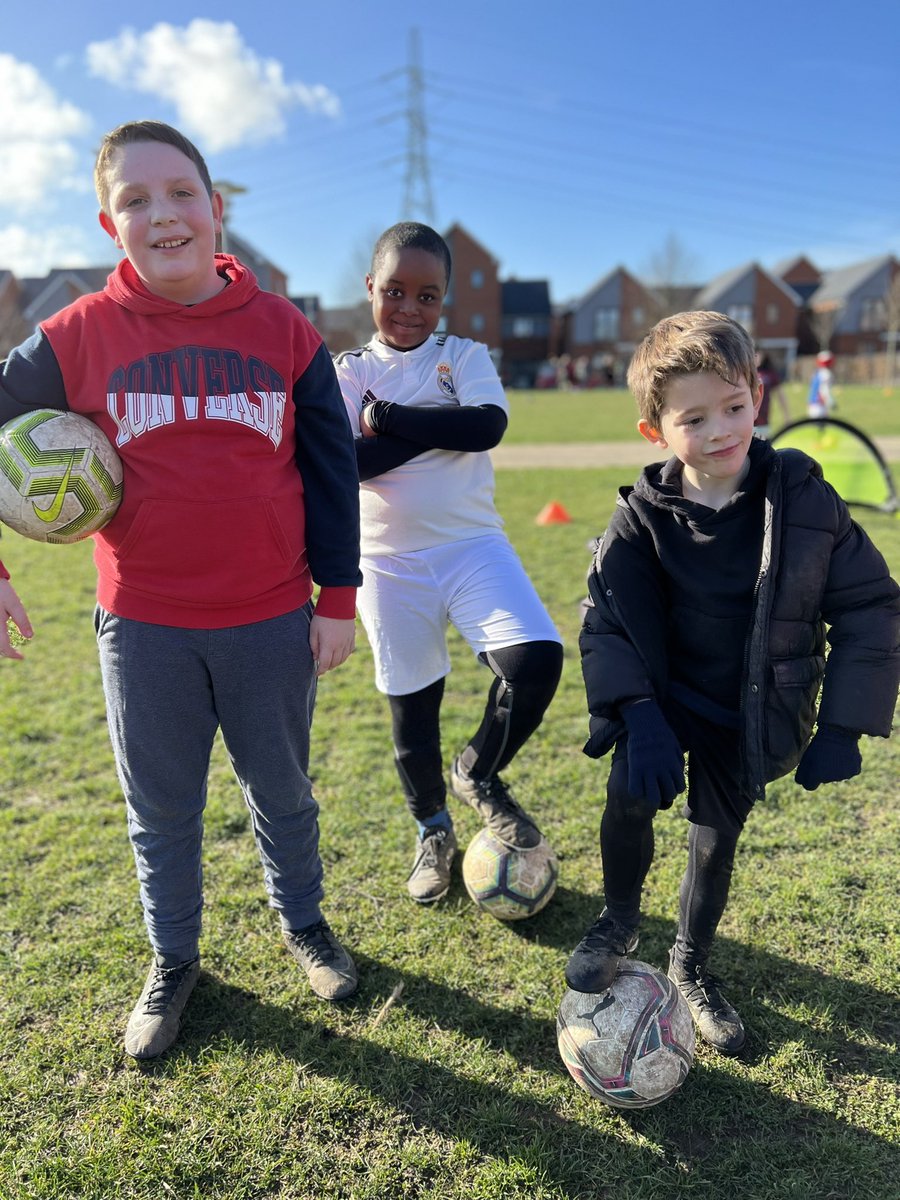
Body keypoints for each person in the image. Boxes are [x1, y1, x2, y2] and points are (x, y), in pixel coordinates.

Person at [0, 121, 363, 1059]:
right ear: (106, 222)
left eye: (180, 194)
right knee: (161, 806)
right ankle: (174, 959)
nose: (161, 215)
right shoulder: (71, 337)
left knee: (282, 790)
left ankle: (306, 925)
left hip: (271, 617)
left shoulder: (285, 330)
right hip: (145, 626)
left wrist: (338, 596)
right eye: (135, 200)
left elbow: (328, 470)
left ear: (216, 208)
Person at [566, 310, 899, 1054]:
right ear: (655, 430)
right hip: (664, 702)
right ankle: (618, 917)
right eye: (694, 418)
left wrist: (843, 725)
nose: (720, 430)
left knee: (715, 842)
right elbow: (606, 621)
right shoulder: (640, 518)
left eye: (734, 407)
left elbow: (872, 605)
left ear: (758, 395)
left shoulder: (806, 501)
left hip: (749, 709)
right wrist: (639, 716)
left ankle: (691, 963)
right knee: (627, 798)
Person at [334, 222, 563, 904]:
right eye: (395, 291)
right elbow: (350, 462)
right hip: (387, 562)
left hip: (472, 546)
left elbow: (486, 427)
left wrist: (394, 418)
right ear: (370, 288)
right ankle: (433, 830)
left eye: (427, 295)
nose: (410, 307)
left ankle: (478, 773)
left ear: (446, 301)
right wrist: (436, 426)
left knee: (536, 663)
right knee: (414, 712)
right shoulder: (347, 374)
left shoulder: (463, 354)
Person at [753, 349, 790, 437]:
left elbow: (780, 395)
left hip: (763, 419)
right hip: (747, 420)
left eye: (758, 354)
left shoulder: (769, 374)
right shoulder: (743, 373)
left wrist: (786, 414)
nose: (756, 358)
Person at [808, 350, 836, 418]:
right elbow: (824, 390)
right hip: (819, 406)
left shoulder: (816, 373)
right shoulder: (826, 374)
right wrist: (831, 402)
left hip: (812, 405)